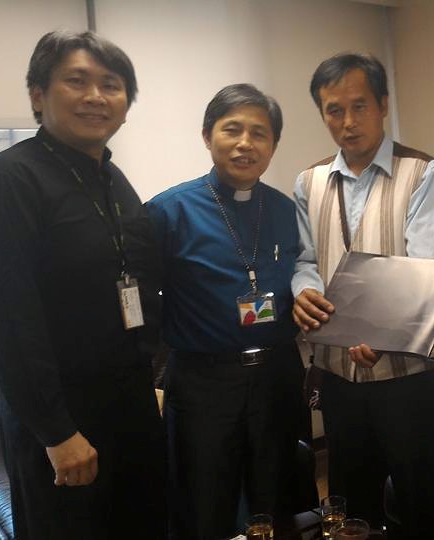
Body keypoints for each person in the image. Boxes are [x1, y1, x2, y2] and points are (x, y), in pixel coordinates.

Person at [0, 31, 165, 539]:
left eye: (112, 85)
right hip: (60, 421)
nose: (96, 96)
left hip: (129, 405)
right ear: (38, 95)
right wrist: (57, 432)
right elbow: (5, 319)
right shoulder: (8, 180)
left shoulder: (113, 180)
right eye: (77, 81)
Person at [292, 53, 434, 537]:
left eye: (359, 106)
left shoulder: (422, 172)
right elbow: (304, 260)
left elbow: (421, 269)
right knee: (351, 503)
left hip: (407, 377)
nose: (348, 122)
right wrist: (304, 291)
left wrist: (381, 333)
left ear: (383, 104)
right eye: (334, 110)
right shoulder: (309, 181)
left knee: (418, 499)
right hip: (339, 374)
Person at [147, 84, 303, 539]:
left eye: (259, 133)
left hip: (276, 378)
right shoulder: (168, 212)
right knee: (203, 506)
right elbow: (141, 304)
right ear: (206, 135)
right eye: (232, 130)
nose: (245, 143)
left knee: (277, 502)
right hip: (203, 384)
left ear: (273, 144)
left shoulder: (286, 211)